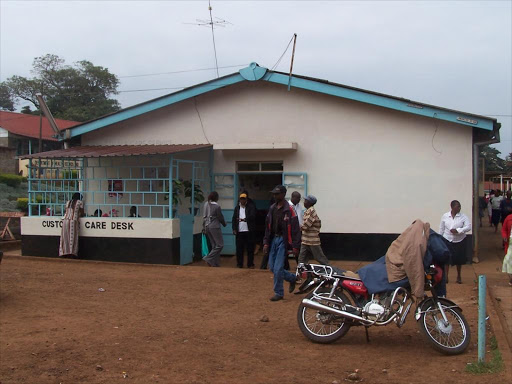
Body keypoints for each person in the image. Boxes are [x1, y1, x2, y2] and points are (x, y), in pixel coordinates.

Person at [263, 185, 300, 301]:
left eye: (277, 194)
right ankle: (292, 278)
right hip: (273, 239)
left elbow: (295, 229)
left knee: (278, 268)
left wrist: (295, 246)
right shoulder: (272, 208)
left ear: (283, 194)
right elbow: (267, 228)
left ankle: (278, 292)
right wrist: (266, 243)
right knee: (273, 268)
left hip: (284, 241)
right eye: (274, 194)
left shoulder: (289, 210)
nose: (274, 196)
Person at [439, 200, 471, 284]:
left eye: (460, 206)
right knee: (446, 259)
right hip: (447, 239)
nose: (459, 208)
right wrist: (440, 238)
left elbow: (468, 227)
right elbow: (441, 228)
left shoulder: (463, 216)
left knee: (459, 259)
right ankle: (446, 276)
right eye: (458, 206)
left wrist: (458, 230)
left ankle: (459, 276)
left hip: (459, 240)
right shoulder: (445, 216)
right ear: (452, 207)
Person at [298, 195, 330, 266]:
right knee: (302, 259)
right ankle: (302, 273)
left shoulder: (311, 211)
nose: (304, 202)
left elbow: (306, 226)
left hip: (312, 240)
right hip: (305, 240)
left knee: (319, 257)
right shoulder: (307, 211)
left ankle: (329, 269)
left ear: (309, 203)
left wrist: (298, 227)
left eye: (306, 201)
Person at [232, 193, 256, 268]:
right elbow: (234, 219)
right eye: (241, 199)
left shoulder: (251, 207)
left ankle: (250, 264)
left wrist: (244, 219)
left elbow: (253, 216)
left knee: (250, 248)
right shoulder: (237, 208)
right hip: (240, 231)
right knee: (239, 249)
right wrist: (234, 228)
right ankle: (239, 264)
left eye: (244, 199)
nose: (242, 200)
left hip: (249, 231)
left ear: (246, 199)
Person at [202, 191, 226, 267]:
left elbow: (204, 216)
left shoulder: (206, 204)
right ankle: (208, 258)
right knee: (220, 245)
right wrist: (224, 223)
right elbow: (220, 217)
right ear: (216, 198)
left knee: (214, 245)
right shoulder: (217, 206)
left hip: (207, 226)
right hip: (214, 226)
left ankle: (214, 263)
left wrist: (203, 227)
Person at [59, 193, 85, 258]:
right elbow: (82, 213)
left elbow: (67, 211)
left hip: (65, 220)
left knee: (65, 237)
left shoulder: (68, 202)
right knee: (73, 237)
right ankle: (72, 253)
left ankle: (64, 252)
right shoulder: (80, 202)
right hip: (73, 220)